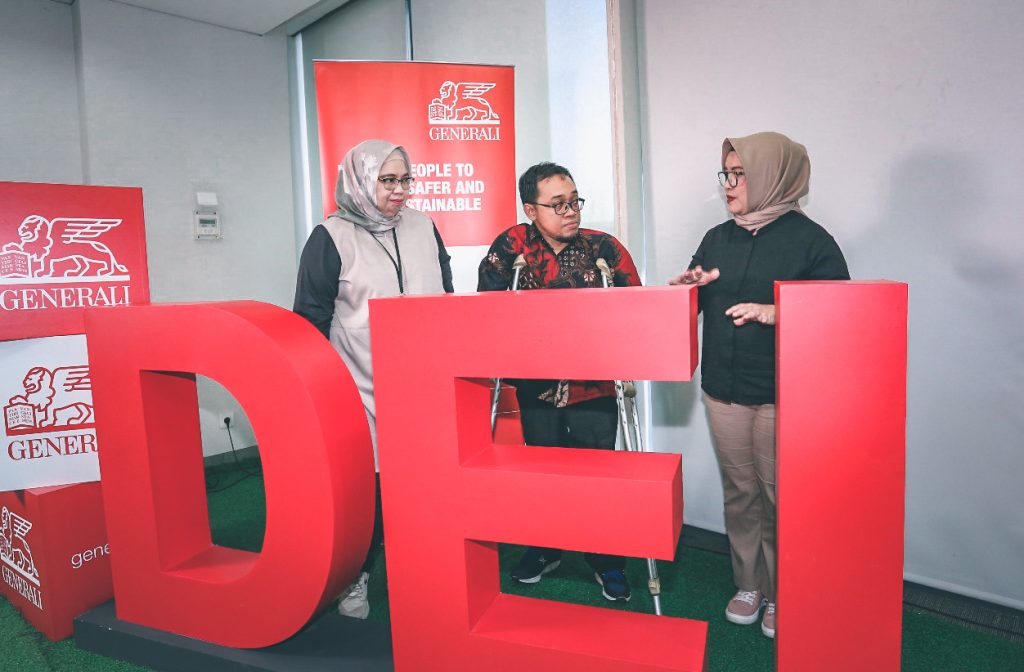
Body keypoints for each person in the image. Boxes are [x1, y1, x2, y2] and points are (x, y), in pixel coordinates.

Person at [669, 132, 849, 638]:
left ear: (773, 176)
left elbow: (842, 315)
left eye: (740, 174)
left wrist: (778, 312)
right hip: (723, 389)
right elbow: (696, 297)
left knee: (780, 497)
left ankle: (784, 588)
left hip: (781, 394)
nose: (729, 184)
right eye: (726, 174)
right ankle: (749, 583)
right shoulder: (716, 238)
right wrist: (684, 290)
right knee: (741, 491)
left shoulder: (812, 241)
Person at [294, 139, 454, 618]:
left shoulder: (424, 226)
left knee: (426, 490)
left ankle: (422, 573)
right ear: (360, 180)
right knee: (372, 497)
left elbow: (447, 295)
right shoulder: (331, 236)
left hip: (425, 387)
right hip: (359, 388)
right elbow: (310, 320)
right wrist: (325, 393)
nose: (399, 190)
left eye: (405, 179)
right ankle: (356, 577)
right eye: (387, 180)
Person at [478, 161, 641, 602]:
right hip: (537, 387)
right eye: (558, 205)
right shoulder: (512, 245)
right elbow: (487, 309)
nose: (571, 212)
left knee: (597, 475)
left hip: (594, 387)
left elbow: (636, 308)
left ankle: (605, 557)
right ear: (531, 209)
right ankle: (545, 546)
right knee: (543, 473)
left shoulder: (604, 248)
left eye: (574, 202)